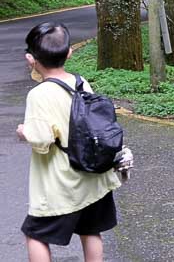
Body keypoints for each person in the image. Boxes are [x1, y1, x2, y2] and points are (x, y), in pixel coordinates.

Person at [16, 22, 120, 262]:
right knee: (90, 230)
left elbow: (42, 140)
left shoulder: (39, 94)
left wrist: (24, 132)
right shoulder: (80, 81)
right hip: (92, 178)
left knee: (35, 235)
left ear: (31, 59)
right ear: (70, 52)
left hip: (61, 184)